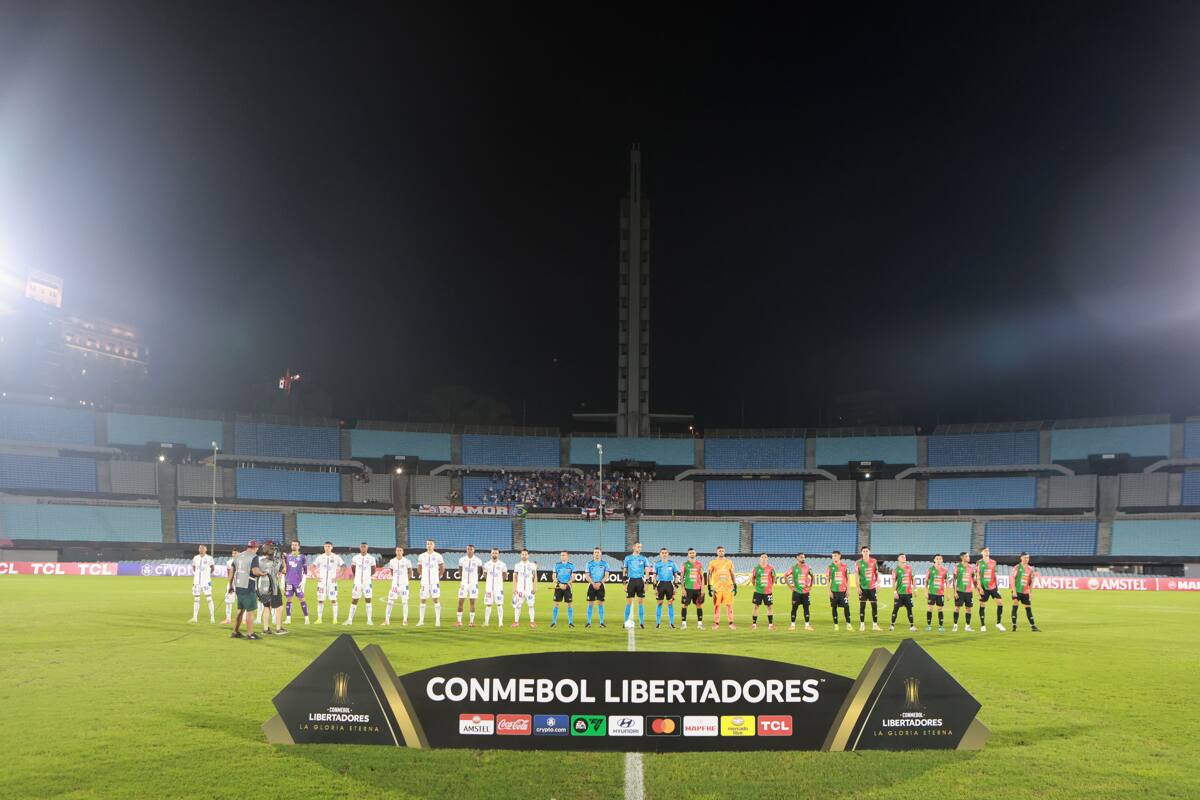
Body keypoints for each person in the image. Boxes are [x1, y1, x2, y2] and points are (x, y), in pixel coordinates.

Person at [232, 539, 265, 640]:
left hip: (238, 586)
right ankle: (250, 634)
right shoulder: (254, 556)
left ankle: (235, 632)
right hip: (248, 586)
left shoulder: (238, 556)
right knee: (250, 611)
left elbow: (232, 570)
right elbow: (255, 572)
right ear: (256, 548)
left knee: (240, 610)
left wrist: (230, 585)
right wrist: (263, 573)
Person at [345, 543, 377, 626]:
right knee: (354, 600)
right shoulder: (355, 558)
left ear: (367, 548)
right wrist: (358, 576)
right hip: (357, 583)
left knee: (368, 600)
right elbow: (353, 568)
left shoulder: (371, 558)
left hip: (367, 583)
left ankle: (369, 620)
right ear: (360, 548)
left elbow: (374, 570)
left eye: (364, 547)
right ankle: (349, 620)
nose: (363, 548)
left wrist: (367, 576)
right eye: (362, 547)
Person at [312, 541, 344, 624]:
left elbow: (343, 566)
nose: (327, 548)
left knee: (334, 600)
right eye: (326, 546)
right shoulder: (320, 557)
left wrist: (338, 576)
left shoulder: (336, 557)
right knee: (320, 600)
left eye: (329, 546)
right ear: (324, 547)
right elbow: (312, 567)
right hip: (321, 583)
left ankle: (335, 619)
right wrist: (316, 576)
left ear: (332, 547)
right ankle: (319, 619)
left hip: (332, 583)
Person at [260, 541, 287, 635]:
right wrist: (283, 559)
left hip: (263, 587)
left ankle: (265, 629)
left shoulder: (261, 561)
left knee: (266, 607)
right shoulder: (276, 562)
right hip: (274, 587)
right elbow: (284, 570)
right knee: (279, 607)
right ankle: (278, 629)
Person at [975, 546, 1005, 632]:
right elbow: (978, 576)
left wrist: (997, 587)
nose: (987, 552)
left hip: (993, 587)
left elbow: (995, 575)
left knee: (1000, 603)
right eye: (985, 551)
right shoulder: (979, 563)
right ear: (982, 553)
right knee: (982, 605)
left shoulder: (994, 562)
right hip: (984, 587)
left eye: (988, 550)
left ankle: (998, 623)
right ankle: (982, 625)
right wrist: (979, 587)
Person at [416, 539, 445, 627]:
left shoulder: (438, 556)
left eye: (431, 544)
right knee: (423, 600)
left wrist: (438, 576)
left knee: (436, 599)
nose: (429, 545)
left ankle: (438, 621)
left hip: (434, 582)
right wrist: (422, 575)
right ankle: (421, 620)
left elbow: (442, 567)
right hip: (424, 582)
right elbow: (419, 567)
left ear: (434, 546)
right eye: (428, 544)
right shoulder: (422, 556)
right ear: (426, 545)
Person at [1010, 552, 1041, 632]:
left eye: (1027, 558)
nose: (1026, 559)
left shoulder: (1030, 569)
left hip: (1025, 592)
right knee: (1015, 606)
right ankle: (1014, 625)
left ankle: (1033, 626)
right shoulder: (1016, 567)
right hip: (1017, 591)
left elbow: (1031, 582)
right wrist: (1014, 591)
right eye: (1025, 557)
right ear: (1021, 558)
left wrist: (1030, 592)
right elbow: (1012, 580)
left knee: (1028, 608)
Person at [707, 545, 737, 629]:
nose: (721, 552)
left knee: (729, 605)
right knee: (717, 606)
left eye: (722, 551)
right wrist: (709, 586)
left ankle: (731, 623)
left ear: (724, 552)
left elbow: (732, 573)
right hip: (717, 588)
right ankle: (716, 623)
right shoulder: (712, 562)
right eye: (719, 551)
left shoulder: (729, 562)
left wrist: (735, 585)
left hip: (728, 587)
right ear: (717, 552)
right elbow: (709, 574)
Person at [622, 542, 649, 629]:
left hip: (640, 581)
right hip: (631, 581)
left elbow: (647, 571)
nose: (639, 548)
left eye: (640, 547)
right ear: (633, 547)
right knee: (628, 602)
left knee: (640, 602)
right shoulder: (628, 558)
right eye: (638, 547)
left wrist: (646, 583)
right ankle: (625, 622)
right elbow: (625, 570)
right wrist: (624, 583)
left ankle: (641, 623)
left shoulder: (643, 558)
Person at [383, 546, 413, 626]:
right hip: (394, 585)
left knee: (405, 602)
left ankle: (405, 620)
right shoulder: (392, 561)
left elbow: (410, 573)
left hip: (404, 585)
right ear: (395, 552)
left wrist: (405, 581)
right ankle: (386, 620)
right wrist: (395, 580)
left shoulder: (407, 561)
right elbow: (392, 571)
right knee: (390, 602)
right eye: (397, 550)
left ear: (403, 552)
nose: (399, 552)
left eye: (400, 550)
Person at [456, 544, 484, 627]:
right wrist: (463, 580)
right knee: (460, 601)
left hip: (473, 584)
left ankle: (471, 622)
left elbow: (480, 572)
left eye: (471, 549)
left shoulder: (478, 560)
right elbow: (460, 570)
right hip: (464, 584)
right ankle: (459, 622)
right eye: (468, 549)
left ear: (474, 550)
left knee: (472, 602)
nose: (469, 550)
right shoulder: (462, 560)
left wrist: (475, 580)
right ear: (466, 550)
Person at [283, 540, 309, 625]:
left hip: (298, 582)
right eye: (292, 545)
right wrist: (283, 581)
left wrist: (303, 581)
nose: (294, 546)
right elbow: (284, 570)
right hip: (289, 581)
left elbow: (305, 571)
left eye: (296, 545)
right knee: (289, 599)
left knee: (302, 599)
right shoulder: (287, 556)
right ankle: (288, 619)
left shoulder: (302, 557)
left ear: (299, 546)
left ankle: (306, 618)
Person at [652, 547, 679, 629]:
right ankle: (658, 623)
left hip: (669, 584)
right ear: (660, 554)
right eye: (662, 553)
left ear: (668, 554)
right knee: (659, 603)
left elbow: (676, 575)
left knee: (670, 603)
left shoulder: (672, 563)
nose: (664, 554)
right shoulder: (657, 564)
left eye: (665, 553)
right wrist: (655, 587)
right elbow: (654, 576)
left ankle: (671, 623)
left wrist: (675, 587)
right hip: (660, 584)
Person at [679, 547, 705, 630]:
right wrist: (683, 589)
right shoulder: (684, 564)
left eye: (693, 553)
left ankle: (700, 624)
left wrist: (703, 589)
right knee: (684, 605)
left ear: (695, 553)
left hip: (698, 589)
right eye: (690, 553)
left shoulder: (699, 564)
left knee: (699, 605)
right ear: (688, 554)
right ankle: (684, 624)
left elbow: (703, 578)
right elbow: (681, 577)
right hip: (688, 589)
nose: (692, 554)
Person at [856, 545, 881, 631]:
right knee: (862, 606)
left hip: (872, 588)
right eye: (864, 551)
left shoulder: (874, 561)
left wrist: (878, 584)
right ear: (861, 552)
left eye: (867, 551)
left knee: (874, 606)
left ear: (869, 552)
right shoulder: (858, 563)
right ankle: (862, 625)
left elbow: (876, 573)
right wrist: (858, 587)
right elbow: (857, 576)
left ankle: (875, 625)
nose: (865, 552)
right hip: (863, 588)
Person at [511, 548, 538, 627]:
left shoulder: (532, 565)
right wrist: (514, 588)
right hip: (519, 589)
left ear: (528, 555)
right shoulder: (517, 565)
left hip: (530, 589)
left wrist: (535, 587)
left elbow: (535, 577)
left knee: (531, 605)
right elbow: (515, 577)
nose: (524, 556)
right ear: (520, 555)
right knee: (518, 606)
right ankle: (516, 622)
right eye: (522, 554)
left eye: (525, 554)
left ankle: (532, 622)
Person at [889, 553, 916, 631]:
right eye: (902, 557)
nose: (904, 558)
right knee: (895, 609)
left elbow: (913, 579)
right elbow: (893, 582)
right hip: (899, 594)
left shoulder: (910, 568)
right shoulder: (896, 570)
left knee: (909, 609)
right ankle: (892, 625)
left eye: (904, 557)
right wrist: (895, 592)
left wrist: (915, 589)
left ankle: (911, 626)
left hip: (908, 593)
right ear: (898, 559)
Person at [189, 544, 216, 624]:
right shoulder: (195, 558)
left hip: (206, 582)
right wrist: (197, 576)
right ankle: (195, 618)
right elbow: (194, 567)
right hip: (197, 582)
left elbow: (213, 568)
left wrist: (207, 575)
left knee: (209, 599)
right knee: (196, 599)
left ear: (205, 550)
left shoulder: (209, 558)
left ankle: (212, 618)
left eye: (203, 548)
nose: (201, 549)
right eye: (200, 548)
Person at [482, 548, 508, 626]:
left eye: (496, 553)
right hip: (489, 588)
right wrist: (489, 581)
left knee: (499, 604)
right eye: (493, 553)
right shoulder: (486, 564)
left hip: (498, 588)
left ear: (498, 554)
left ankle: (500, 622)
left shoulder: (502, 564)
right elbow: (485, 574)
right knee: (488, 604)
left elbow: (505, 575)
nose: (494, 554)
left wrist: (500, 582)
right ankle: (486, 622)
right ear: (491, 554)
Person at [583, 547, 608, 628]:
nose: (597, 554)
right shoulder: (589, 564)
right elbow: (587, 576)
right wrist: (593, 583)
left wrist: (600, 583)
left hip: (601, 585)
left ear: (601, 553)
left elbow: (606, 575)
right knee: (590, 604)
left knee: (600, 604)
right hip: (591, 585)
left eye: (598, 552)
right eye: (595, 552)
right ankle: (589, 622)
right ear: (593, 554)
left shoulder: (605, 564)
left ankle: (601, 623)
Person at [750, 553, 776, 631]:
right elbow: (753, 579)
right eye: (762, 557)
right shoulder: (756, 568)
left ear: (767, 558)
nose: (764, 558)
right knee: (756, 606)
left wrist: (771, 585)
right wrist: (755, 587)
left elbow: (774, 577)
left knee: (769, 607)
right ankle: (754, 624)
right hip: (758, 591)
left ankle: (770, 625)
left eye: (765, 557)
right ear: (760, 558)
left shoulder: (771, 568)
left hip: (768, 591)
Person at [549, 551, 576, 628]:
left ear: (567, 556)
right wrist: (559, 583)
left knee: (569, 604)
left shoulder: (571, 565)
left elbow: (573, 577)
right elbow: (554, 577)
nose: (562, 556)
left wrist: (566, 584)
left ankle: (570, 623)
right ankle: (553, 622)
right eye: (561, 555)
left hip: (568, 587)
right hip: (559, 586)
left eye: (564, 555)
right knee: (556, 604)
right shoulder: (557, 565)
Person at [788, 552, 813, 631]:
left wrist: (810, 586)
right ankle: (792, 625)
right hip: (797, 592)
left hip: (806, 592)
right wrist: (790, 586)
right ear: (797, 558)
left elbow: (812, 576)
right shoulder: (793, 568)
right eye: (801, 557)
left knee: (806, 608)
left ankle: (807, 625)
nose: (803, 558)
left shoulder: (808, 567)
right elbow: (786, 575)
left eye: (804, 557)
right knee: (794, 608)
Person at [828, 550, 852, 631]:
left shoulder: (845, 566)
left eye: (835, 556)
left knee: (846, 607)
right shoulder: (830, 567)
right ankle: (836, 625)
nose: (834, 557)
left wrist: (848, 589)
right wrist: (829, 591)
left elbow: (848, 579)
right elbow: (828, 580)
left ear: (839, 556)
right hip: (834, 591)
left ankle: (848, 624)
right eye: (833, 556)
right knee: (834, 607)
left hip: (843, 591)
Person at [951, 551, 976, 632]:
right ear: (962, 557)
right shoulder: (957, 567)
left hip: (969, 592)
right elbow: (954, 580)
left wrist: (977, 589)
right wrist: (955, 592)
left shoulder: (971, 568)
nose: (968, 558)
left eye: (968, 556)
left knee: (969, 609)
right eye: (966, 556)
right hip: (960, 591)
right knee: (957, 608)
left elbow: (974, 580)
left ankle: (967, 626)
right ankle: (955, 625)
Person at [926, 554, 949, 632]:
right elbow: (926, 581)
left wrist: (948, 594)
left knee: (940, 609)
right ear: (934, 560)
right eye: (937, 558)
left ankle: (941, 626)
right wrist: (926, 591)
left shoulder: (945, 570)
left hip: (940, 593)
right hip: (931, 592)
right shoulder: (930, 569)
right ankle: (929, 625)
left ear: (942, 560)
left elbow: (947, 582)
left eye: (940, 559)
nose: (938, 560)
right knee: (929, 608)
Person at [221, 547, 241, 625]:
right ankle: (228, 619)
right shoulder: (229, 562)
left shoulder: (243, 562)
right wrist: (230, 585)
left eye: (235, 553)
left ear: (239, 553)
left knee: (243, 601)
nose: (233, 554)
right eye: (232, 553)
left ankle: (244, 619)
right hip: (232, 584)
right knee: (228, 601)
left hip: (241, 584)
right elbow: (229, 574)